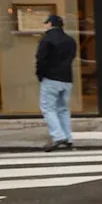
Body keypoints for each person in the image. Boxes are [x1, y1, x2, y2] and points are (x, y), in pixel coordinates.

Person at [36, 14, 77, 152]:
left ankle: (58, 136)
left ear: (50, 24)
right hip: (67, 78)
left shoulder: (46, 40)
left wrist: (40, 75)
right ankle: (68, 137)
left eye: (46, 23)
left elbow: (41, 60)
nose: (44, 25)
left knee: (48, 108)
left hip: (51, 78)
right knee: (63, 108)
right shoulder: (70, 41)